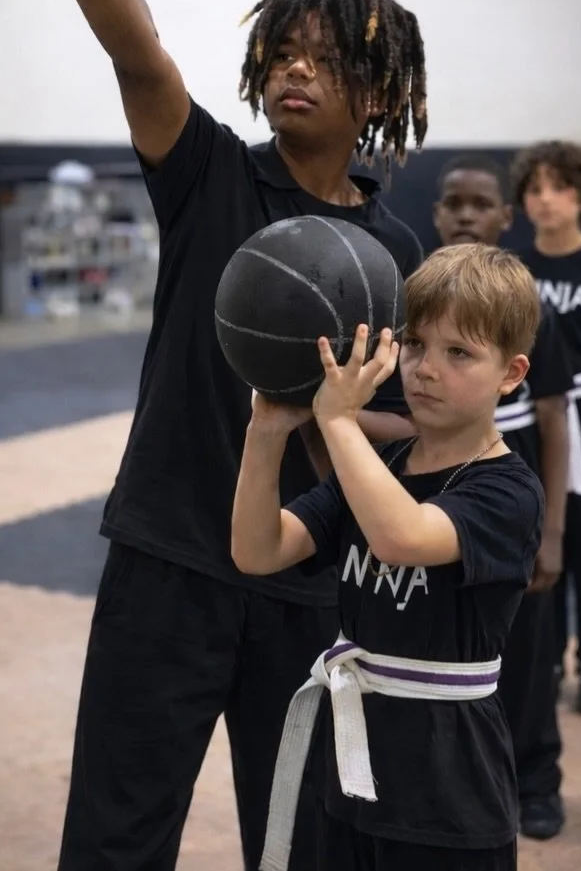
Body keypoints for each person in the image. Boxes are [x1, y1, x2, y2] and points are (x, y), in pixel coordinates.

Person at [0, 0, 427, 871]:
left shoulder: (393, 250)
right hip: (168, 559)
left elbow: (393, 431)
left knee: (301, 842)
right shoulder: (206, 170)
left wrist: (346, 429)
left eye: (326, 57)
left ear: (377, 94)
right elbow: (140, 55)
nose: (296, 67)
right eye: (284, 51)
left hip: (306, 582)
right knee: (116, 838)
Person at [232, 243, 544, 871]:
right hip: (353, 775)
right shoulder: (384, 469)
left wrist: (340, 423)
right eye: (417, 345)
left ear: (511, 374)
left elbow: (402, 538)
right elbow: (258, 550)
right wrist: (265, 433)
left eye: (459, 353)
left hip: (449, 794)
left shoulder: (508, 490)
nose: (427, 369)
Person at [433, 154, 571, 840]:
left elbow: (552, 418)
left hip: (513, 517)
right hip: (439, 517)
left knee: (529, 655)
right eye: (451, 202)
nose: (463, 214)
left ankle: (536, 779)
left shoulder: (528, 305)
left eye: (478, 203)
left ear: (503, 219)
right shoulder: (419, 302)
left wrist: (549, 534)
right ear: (433, 215)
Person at [511, 141, 581, 717]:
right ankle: (541, 659)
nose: (546, 200)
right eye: (535, 189)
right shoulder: (516, 268)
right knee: (540, 534)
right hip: (533, 417)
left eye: (559, 187)